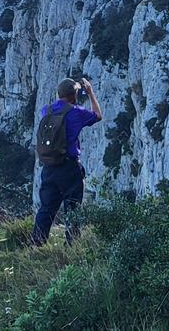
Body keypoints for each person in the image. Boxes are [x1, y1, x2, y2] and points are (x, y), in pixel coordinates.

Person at [31, 77, 103, 247]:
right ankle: (72, 245)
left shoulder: (45, 111)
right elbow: (98, 116)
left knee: (46, 208)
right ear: (74, 94)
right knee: (73, 208)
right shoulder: (76, 112)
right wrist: (91, 93)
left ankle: (36, 244)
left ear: (58, 93)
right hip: (69, 167)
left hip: (49, 167)